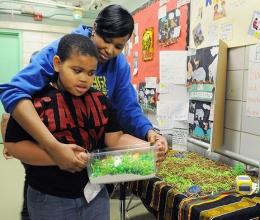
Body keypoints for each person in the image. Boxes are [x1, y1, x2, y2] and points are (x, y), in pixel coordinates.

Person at [5, 33, 160, 220]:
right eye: (77, 70)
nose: (84, 79)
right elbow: (14, 145)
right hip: (49, 198)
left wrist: (149, 148)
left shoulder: (100, 100)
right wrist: (56, 156)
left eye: (90, 73)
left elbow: (115, 138)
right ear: (57, 63)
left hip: (95, 195)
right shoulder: (35, 101)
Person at [0, 4, 167, 175]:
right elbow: (14, 92)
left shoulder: (119, 65)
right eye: (106, 40)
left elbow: (127, 109)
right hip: (52, 163)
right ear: (95, 27)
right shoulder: (66, 50)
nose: (109, 50)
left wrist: (149, 133)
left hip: (91, 161)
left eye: (118, 46)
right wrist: (54, 148)